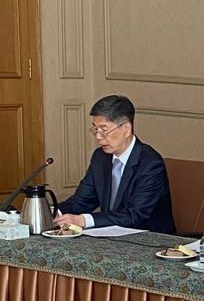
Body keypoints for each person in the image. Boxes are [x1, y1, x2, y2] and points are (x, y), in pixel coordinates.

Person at [55, 95, 176, 234]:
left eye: (104, 130)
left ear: (126, 129)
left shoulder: (151, 164)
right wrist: (53, 213)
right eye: (95, 129)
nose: (98, 136)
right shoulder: (100, 157)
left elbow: (134, 215)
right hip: (110, 237)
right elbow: (82, 201)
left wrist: (83, 220)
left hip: (150, 240)